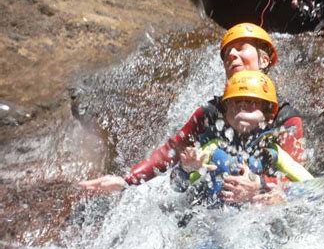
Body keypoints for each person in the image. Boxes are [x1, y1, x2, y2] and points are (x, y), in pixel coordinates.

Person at [79, 23, 305, 204]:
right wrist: (126, 180)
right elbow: (172, 150)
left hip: (263, 207)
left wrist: (261, 187)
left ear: (264, 60)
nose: (232, 55)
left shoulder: (283, 117)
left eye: (241, 47)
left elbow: (296, 177)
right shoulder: (211, 112)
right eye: (227, 52)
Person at [170, 70, 313, 205]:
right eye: (236, 101)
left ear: (268, 115)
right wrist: (186, 168)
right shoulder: (213, 148)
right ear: (225, 114)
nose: (243, 105)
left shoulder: (273, 153)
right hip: (211, 222)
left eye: (252, 102)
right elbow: (177, 186)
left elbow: (314, 188)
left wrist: (261, 187)